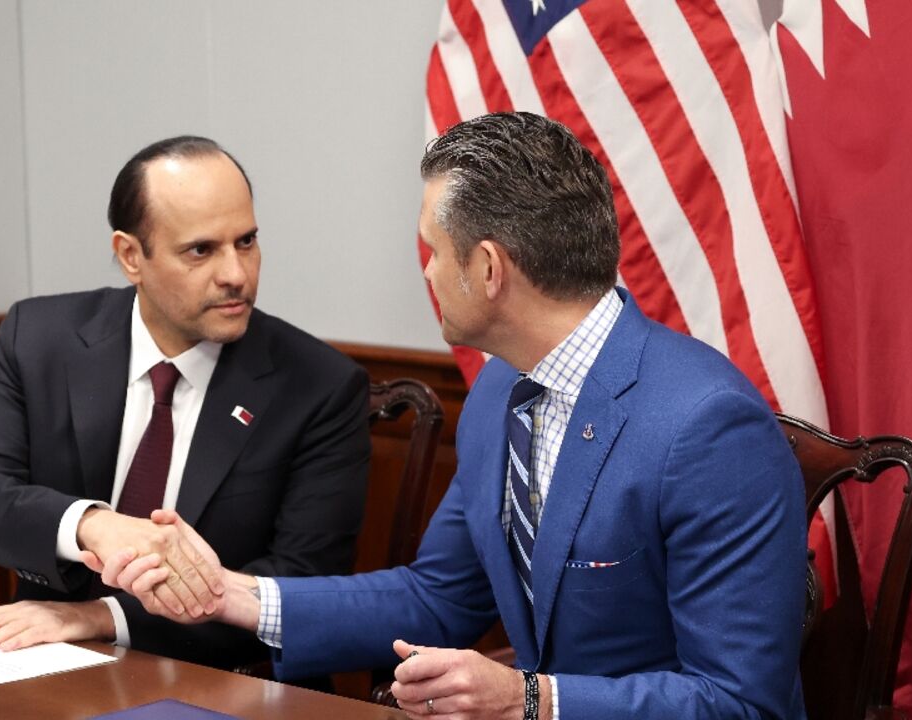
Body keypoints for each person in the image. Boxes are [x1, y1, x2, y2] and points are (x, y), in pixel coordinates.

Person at [98, 113, 809, 719]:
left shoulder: (708, 428)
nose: (428, 271)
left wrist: (529, 700)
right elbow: (438, 598)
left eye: (434, 251)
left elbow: (741, 702)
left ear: (490, 269)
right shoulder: (502, 392)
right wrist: (229, 594)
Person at [0, 136, 371, 670]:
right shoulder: (40, 339)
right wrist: (94, 525)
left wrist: (100, 617)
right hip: (40, 665)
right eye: (201, 250)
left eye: (247, 241)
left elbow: (300, 582)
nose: (236, 274)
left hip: (220, 678)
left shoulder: (319, 385)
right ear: (130, 256)